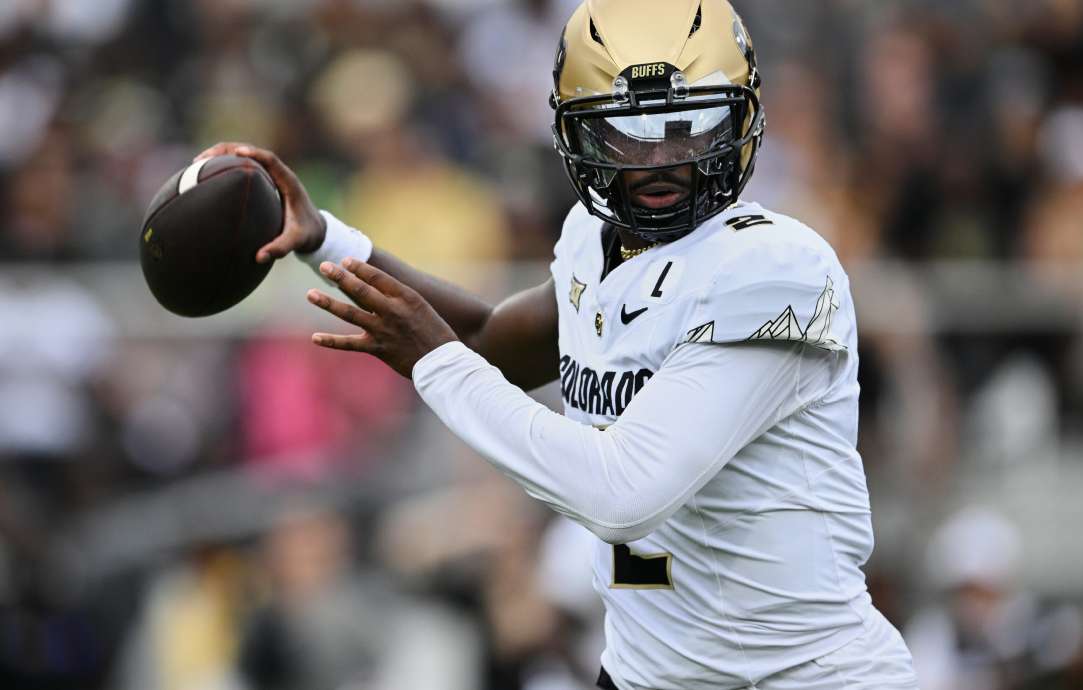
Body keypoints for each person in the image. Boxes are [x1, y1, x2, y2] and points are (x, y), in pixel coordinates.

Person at [198, 1, 917, 688]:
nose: (661, 159)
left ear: (743, 117)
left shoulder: (775, 269)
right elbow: (485, 339)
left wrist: (435, 363)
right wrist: (330, 239)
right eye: (626, 132)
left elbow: (623, 492)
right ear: (577, 134)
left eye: (690, 125)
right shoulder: (593, 242)